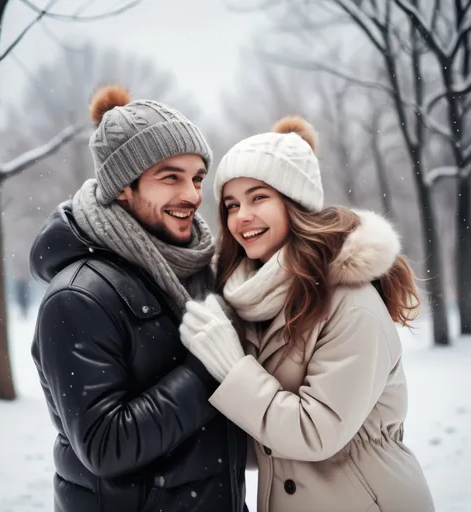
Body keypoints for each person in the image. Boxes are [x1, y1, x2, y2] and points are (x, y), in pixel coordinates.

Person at [179, 116, 435, 511]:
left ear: (294, 203)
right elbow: (261, 441)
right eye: (232, 205)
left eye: (258, 197)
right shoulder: (256, 301)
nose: (241, 216)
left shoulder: (352, 303)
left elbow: (315, 432)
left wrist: (233, 370)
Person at [30, 85, 247, 512]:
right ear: (122, 188)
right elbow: (106, 445)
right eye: (170, 177)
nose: (191, 195)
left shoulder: (198, 272)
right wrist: (212, 367)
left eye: (197, 177)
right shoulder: (78, 296)